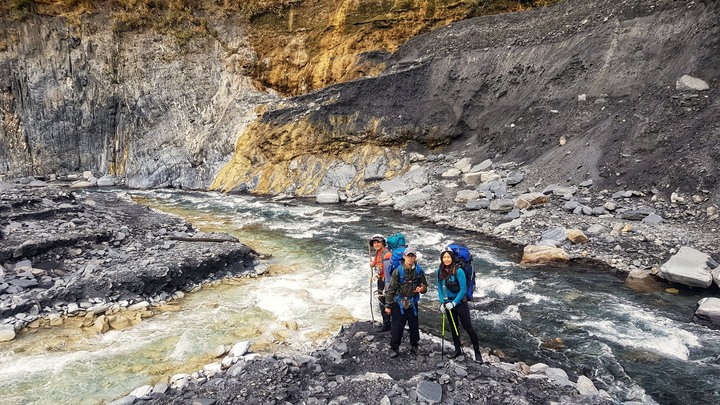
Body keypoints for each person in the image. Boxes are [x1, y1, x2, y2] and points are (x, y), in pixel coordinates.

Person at [437, 247, 482, 361]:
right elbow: (439, 287)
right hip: (448, 304)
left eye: (448, 257)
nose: (446, 259)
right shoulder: (441, 270)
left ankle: (477, 353)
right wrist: (442, 302)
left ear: (452, 258)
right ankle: (457, 349)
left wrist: (454, 303)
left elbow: (463, 289)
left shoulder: (459, 271)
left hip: (460, 303)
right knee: (453, 327)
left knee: (468, 327)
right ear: (441, 258)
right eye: (444, 257)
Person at [384, 247, 427, 358]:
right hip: (399, 303)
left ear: (415, 257)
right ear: (404, 257)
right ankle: (394, 348)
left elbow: (425, 286)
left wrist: (421, 289)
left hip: (412, 303)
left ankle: (414, 346)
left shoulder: (418, 270)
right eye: (408, 256)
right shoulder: (398, 271)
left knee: (414, 326)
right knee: (397, 327)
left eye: (412, 256)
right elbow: (391, 289)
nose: (410, 258)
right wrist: (388, 306)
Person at [369, 234, 392, 332]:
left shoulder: (387, 254)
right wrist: (371, 264)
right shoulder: (378, 252)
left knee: (387, 303)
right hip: (380, 281)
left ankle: (389, 324)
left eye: (378, 242)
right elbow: (374, 263)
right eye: (374, 243)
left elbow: (390, 271)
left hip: (387, 282)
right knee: (382, 302)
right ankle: (386, 323)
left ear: (383, 243)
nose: (376, 244)